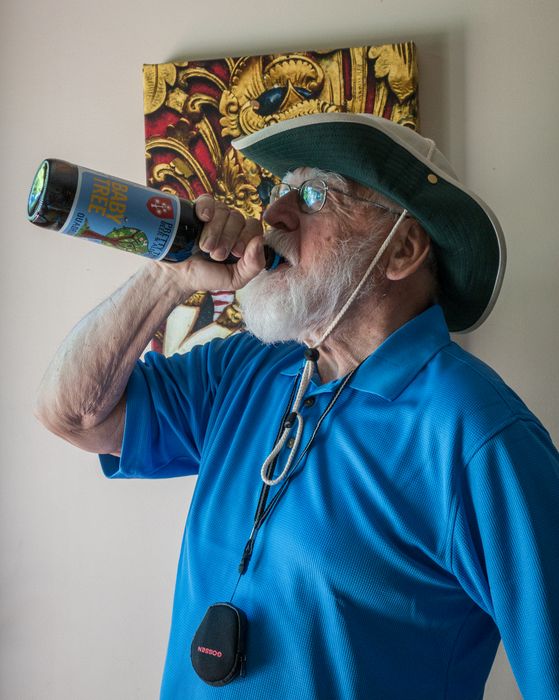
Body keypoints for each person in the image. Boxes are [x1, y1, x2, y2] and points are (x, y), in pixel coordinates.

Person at [35, 113, 559, 699]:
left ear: (403, 249)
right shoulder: (246, 368)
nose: (274, 215)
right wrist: (168, 278)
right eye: (276, 192)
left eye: (314, 195)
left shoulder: (478, 433)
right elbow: (75, 415)